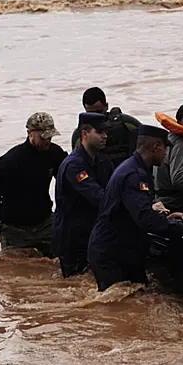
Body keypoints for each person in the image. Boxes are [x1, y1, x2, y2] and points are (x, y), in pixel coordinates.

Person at [88, 125, 183, 292]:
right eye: (165, 149)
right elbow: (145, 219)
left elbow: (136, 211)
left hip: (124, 248)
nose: (166, 155)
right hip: (113, 253)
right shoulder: (135, 175)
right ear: (156, 147)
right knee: (118, 305)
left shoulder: (134, 168)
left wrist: (165, 219)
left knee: (136, 300)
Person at [0, 113, 67, 255]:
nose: (47, 141)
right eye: (43, 137)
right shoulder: (10, 161)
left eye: (50, 137)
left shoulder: (54, 153)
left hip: (45, 224)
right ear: (30, 133)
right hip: (14, 229)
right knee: (14, 270)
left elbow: (68, 182)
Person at [53, 113, 114, 278]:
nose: (105, 136)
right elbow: (99, 196)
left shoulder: (103, 160)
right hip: (72, 237)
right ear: (85, 133)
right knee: (75, 281)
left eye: (106, 132)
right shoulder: (74, 165)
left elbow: (114, 189)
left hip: (93, 232)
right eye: (100, 132)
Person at [70, 87, 141, 168]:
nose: (95, 117)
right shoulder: (80, 134)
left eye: (98, 112)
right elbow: (77, 162)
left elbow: (148, 143)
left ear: (106, 106)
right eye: (90, 113)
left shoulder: (126, 122)